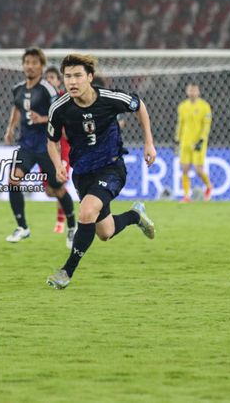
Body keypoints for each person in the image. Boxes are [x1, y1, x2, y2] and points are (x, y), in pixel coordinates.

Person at [45, 54, 157, 289]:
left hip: (111, 168)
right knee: (105, 232)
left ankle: (66, 272)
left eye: (77, 76)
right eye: (68, 77)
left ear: (90, 77)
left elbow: (140, 106)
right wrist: (57, 165)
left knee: (86, 212)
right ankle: (136, 216)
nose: (72, 82)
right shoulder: (60, 108)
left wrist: (149, 142)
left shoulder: (109, 98)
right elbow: (51, 140)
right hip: (82, 174)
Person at [3, 49, 76, 247]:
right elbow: (17, 108)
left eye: (34, 62)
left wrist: (42, 118)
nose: (30, 65)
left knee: (57, 189)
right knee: (13, 180)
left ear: (41, 66)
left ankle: (71, 226)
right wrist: (10, 128)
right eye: (27, 62)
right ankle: (22, 227)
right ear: (23, 65)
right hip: (26, 144)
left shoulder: (48, 89)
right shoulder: (18, 88)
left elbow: (59, 114)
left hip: (47, 146)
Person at [45, 65, 72, 234]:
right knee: (49, 190)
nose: (49, 81)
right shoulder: (40, 98)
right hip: (46, 147)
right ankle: (68, 204)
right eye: (46, 78)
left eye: (52, 78)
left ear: (58, 81)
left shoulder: (65, 98)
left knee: (59, 183)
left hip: (63, 147)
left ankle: (62, 222)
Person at [175, 83, 213, 202]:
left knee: (198, 169)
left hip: (198, 142)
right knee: (185, 168)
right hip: (185, 141)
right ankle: (186, 196)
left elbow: (206, 125)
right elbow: (180, 124)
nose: (192, 93)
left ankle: (209, 186)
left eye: (194, 90)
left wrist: (202, 139)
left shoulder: (205, 106)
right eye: (190, 90)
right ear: (187, 92)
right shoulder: (182, 106)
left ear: (198, 92)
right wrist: (177, 139)